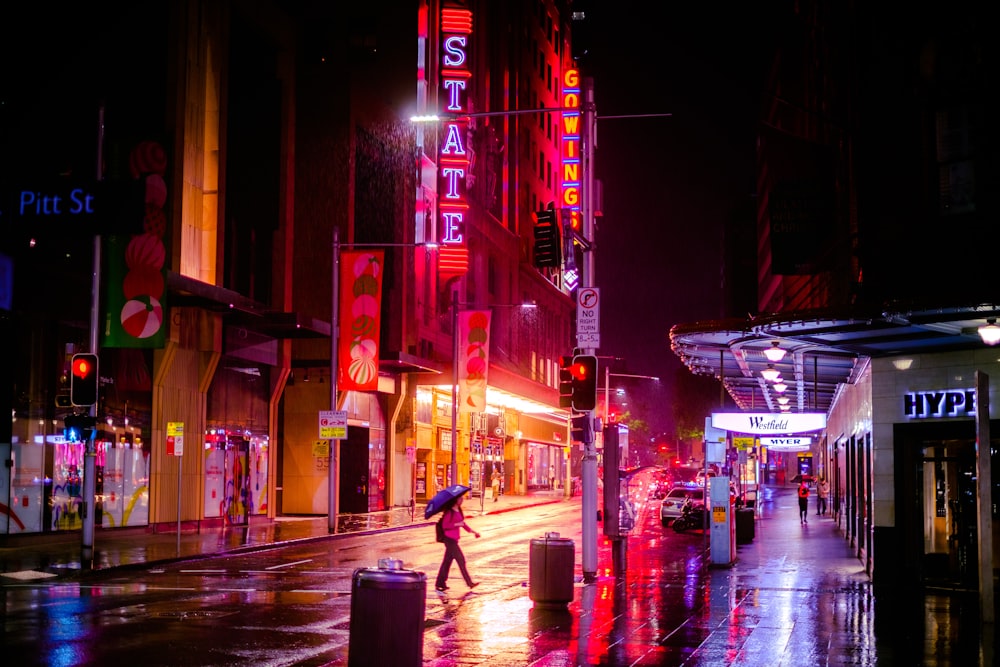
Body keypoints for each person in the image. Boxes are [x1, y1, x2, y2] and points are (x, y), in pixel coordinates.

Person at [435, 495, 480, 592]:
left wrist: (474, 532)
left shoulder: (458, 510)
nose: (462, 500)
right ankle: (469, 583)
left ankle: (440, 582)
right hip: (449, 540)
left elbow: (463, 524)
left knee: (447, 562)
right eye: (460, 499)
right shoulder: (449, 512)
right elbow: (445, 526)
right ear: (456, 500)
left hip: (454, 540)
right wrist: (456, 524)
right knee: (461, 560)